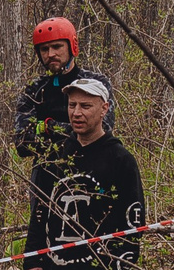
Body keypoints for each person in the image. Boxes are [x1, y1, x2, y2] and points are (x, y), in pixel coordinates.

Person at [19, 77, 147, 270]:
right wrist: (32, 259)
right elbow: (40, 212)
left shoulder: (119, 158)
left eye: (86, 106)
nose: (77, 113)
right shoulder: (52, 156)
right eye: (72, 105)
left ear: (104, 109)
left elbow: (134, 219)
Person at [13, 16, 112, 170]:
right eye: (44, 49)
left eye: (57, 46)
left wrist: (46, 126)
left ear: (71, 46)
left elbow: (102, 131)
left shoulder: (96, 83)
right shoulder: (34, 89)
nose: (51, 54)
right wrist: (74, 131)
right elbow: (22, 144)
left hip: (90, 170)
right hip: (45, 178)